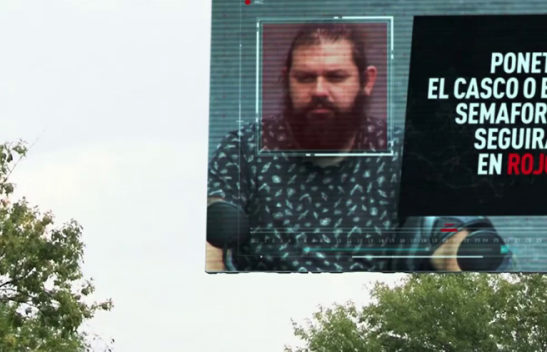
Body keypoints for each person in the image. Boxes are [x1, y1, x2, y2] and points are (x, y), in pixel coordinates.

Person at [206, 23, 505, 272]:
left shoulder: (406, 152)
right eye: (305, 78)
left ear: (366, 80)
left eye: (336, 77)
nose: (320, 91)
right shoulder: (245, 148)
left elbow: (452, 235)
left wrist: (456, 254)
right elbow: (210, 236)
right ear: (286, 81)